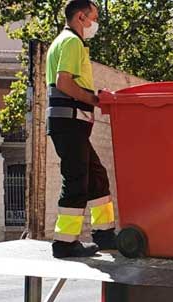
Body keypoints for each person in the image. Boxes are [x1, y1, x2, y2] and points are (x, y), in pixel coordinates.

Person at [46, 0, 116, 258]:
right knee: (77, 181)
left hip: (68, 123)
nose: (95, 24)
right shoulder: (72, 42)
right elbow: (64, 83)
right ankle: (64, 243)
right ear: (80, 17)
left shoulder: (62, 42)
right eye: (93, 18)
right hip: (69, 122)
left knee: (97, 176)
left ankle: (105, 235)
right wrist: (95, 99)